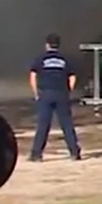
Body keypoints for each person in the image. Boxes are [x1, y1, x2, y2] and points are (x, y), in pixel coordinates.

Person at [28, 33, 81, 162]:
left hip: (45, 93)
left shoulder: (40, 59)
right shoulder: (65, 59)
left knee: (43, 125)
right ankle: (74, 152)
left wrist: (36, 94)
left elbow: (33, 76)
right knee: (67, 124)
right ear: (58, 45)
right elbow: (72, 76)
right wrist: (68, 90)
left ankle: (36, 154)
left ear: (47, 45)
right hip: (61, 93)